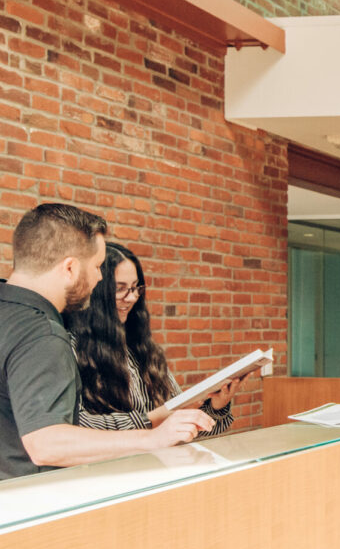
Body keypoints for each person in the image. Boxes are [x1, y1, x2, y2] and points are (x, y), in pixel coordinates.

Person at [0, 204, 214, 481]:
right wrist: (152, 438)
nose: (100, 277)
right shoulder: (44, 334)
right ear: (70, 268)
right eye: (98, 266)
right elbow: (46, 444)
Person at [66, 242, 238, 434]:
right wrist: (155, 418)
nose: (131, 298)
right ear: (98, 292)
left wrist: (216, 406)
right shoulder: (70, 348)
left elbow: (179, 425)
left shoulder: (142, 348)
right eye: (120, 289)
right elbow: (78, 426)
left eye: (135, 288)